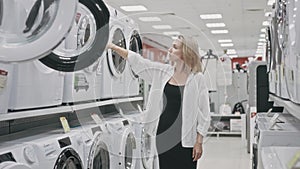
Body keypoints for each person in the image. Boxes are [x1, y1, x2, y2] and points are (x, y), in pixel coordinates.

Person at [107, 34, 211, 168]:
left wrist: (199, 141)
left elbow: (204, 113)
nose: (169, 50)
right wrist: (113, 47)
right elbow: (139, 62)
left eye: (174, 47)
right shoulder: (163, 72)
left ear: (185, 52)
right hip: (163, 136)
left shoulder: (198, 79)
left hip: (185, 140)